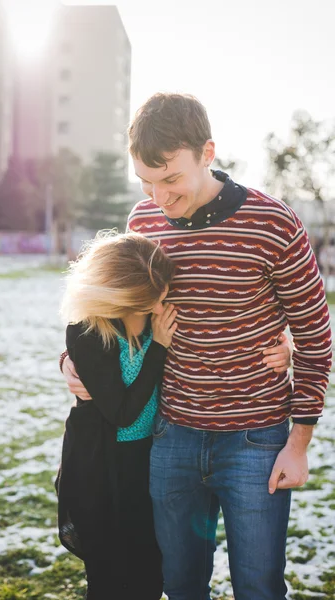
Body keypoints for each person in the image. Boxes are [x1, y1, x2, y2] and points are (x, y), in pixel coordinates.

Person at [61, 92, 333, 600]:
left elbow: (316, 333)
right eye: (145, 181)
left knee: (258, 587)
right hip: (170, 437)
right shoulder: (143, 221)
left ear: (207, 153)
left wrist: (299, 443)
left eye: (170, 179)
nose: (158, 197)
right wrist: (71, 361)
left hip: (255, 440)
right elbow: (111, 307)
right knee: (180, 585)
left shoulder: (275, 224)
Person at [56, 232, 176, 600]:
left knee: (148, 576)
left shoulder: (154, 313)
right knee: (108, 577)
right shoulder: (90, 333)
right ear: (124, 294)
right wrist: (157, 348)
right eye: (155, 295)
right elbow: (123, 413)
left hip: (147, 460)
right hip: (103, 468)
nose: (164, 300)